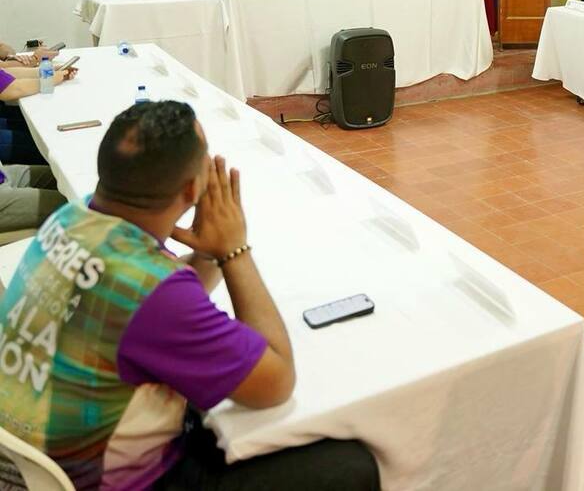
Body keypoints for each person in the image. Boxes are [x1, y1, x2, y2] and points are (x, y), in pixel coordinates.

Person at [0, 101, 380, 490]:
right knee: (350, 465)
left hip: (45, 454)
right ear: (192, 188)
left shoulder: (75, 218)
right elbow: (276, 383)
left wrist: (209, 251)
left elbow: (150, 298)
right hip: (123, 480)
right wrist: (235, 252)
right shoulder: (155, 294)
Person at [0, 63, 74, 231]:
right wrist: (48, 79)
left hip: (3, 175)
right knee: (80, 206)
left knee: (66, 174)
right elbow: (11, 89)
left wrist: (44, 73)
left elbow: (4, 73)